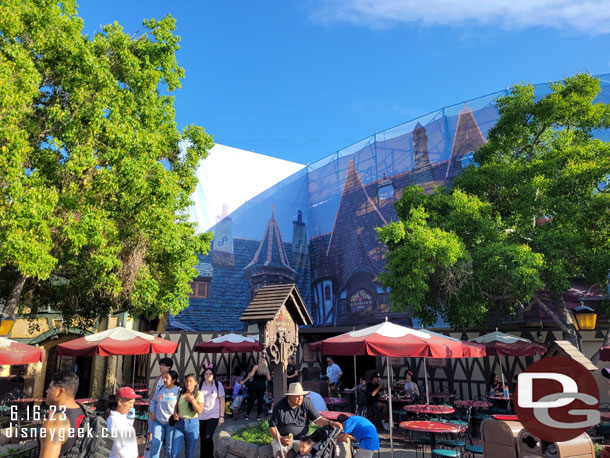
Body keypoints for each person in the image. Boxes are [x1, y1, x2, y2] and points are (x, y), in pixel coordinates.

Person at [268, 382, 342, 458]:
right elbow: (272, 426)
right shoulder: (280, 407)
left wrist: (330, 422)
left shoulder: (306, 403)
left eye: (302, 395)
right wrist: (280, 438)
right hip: (284, 438)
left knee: (311, 453)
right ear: (290, 397)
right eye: (297, 396)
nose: (300, 398)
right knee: (280, 454)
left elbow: (318, 420)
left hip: (302, 439)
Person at [40, 371, 85, 458]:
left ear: (60, 392)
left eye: (50, 388)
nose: (46, 391)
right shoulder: (84, 413)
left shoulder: (55, 424)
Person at [171, 373, 204, 458]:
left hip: (192, 424)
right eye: (186, 381)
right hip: (179, 423)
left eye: (190, 381)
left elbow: (199, 410)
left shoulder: (199, 394)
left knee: (189, 453)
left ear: (195, 383)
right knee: (174, 453)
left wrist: (192, 400)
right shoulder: (180, 392)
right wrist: (175, 413)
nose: (188, 383)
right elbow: (177, 405)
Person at [149, 370, 180, 458]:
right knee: (155, 444)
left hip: (171, 423)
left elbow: (181, 405)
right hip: (158, 421)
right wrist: (152, 411)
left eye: (167, 378)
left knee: (169, 447)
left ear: (173, 380)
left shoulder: (178, 391)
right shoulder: (160, 389)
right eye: (164, 378)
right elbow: (153, 401)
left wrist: (177, 414)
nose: (164, 380)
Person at [198, 363, 225, 458]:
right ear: (203, 375)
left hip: (214, 415)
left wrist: (221, 417)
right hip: (201, 415)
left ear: (213, 375)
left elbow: (222, 401)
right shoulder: (200, 385)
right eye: (206, 374)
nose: (208, 375)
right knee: (202, 438)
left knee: (207, 437)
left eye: (210, 374)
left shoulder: (218, 385)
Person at [107, 387, 141, 458]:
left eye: (133, 403)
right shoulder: (115, 421)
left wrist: (130, 420)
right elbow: (121, 449)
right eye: (130, 403)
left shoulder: (122, 417)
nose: (132, 407)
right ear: (120, 402)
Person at [148, 357, 173, 444]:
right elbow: (153, 393)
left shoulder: (172, 380)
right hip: (155, 409)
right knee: (151, 431)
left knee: (167, 440)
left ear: (169, 367)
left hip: (167, 412)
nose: (161, 367)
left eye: (163, 365)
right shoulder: (158, 378)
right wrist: (150, 408)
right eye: (160, 365)